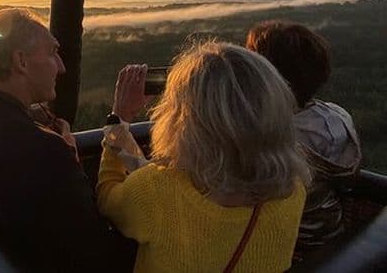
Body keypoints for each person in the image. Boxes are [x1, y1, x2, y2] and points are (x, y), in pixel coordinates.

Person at [0, 8, 118, 272]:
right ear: (21, 61)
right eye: (52, 53)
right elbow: (94, 252)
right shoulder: (49, 151)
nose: (61, 67)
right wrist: (70, 154)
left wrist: (29, 118)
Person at [97, 42, 310, 273]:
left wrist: (119, 119)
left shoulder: (156, 191)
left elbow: (108, 198)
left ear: (183, 120)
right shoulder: (293, 189)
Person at [246, 21, 361, 250]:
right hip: (330, 234)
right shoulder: (338, 118)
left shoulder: (263, 134)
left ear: (264, 76)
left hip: (281, 246)